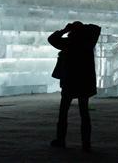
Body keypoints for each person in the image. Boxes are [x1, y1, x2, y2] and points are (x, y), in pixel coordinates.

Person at [48, 21, 101, 152]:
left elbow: (51, 39)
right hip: (84, 82)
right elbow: (95, 28)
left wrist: (65, 29)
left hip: (70, 82)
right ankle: (86, 143)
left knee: (63, 112)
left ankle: (61, 140)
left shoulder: (69, 43)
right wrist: (80, 27)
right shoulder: (89, 43)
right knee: (84, 113)